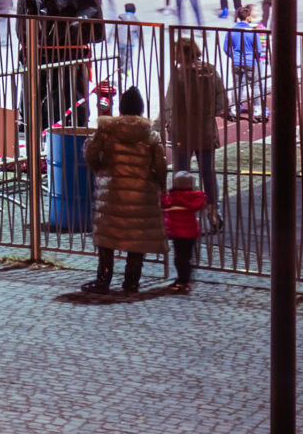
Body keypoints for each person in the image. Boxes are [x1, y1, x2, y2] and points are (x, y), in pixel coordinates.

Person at [82, 87, 167, 295]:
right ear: (140, 109)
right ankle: (131, 282)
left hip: (112, 190)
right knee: (137, 239)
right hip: (141, 193)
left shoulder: (107, 131)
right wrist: (158, 183)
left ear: (121, 108)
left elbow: (92, 153)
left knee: (107, 238)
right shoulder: (150, 135)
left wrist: (100, 169)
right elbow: (161, 165)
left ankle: (103, 280)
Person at [163, 34, 226, 224]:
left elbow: (169, 103)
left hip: (183, 130)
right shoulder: (211, 70)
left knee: (182, 171)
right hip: (205, 129)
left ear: (184, 53)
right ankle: (213, 211)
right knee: (208, 170)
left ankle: (183, 210)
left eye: (176, 52)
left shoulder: (179, 74)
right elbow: (221, 103)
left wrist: (161, 124)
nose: (174, 56)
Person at [162, 170, 208, 291]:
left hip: (177, 233)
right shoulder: (194, 196)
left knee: (179, 258)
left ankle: (183, 280)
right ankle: (184, 279)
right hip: (190, 233)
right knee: (186, 257)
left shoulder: (172, 197)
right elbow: (198, 204)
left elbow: (163, 203)